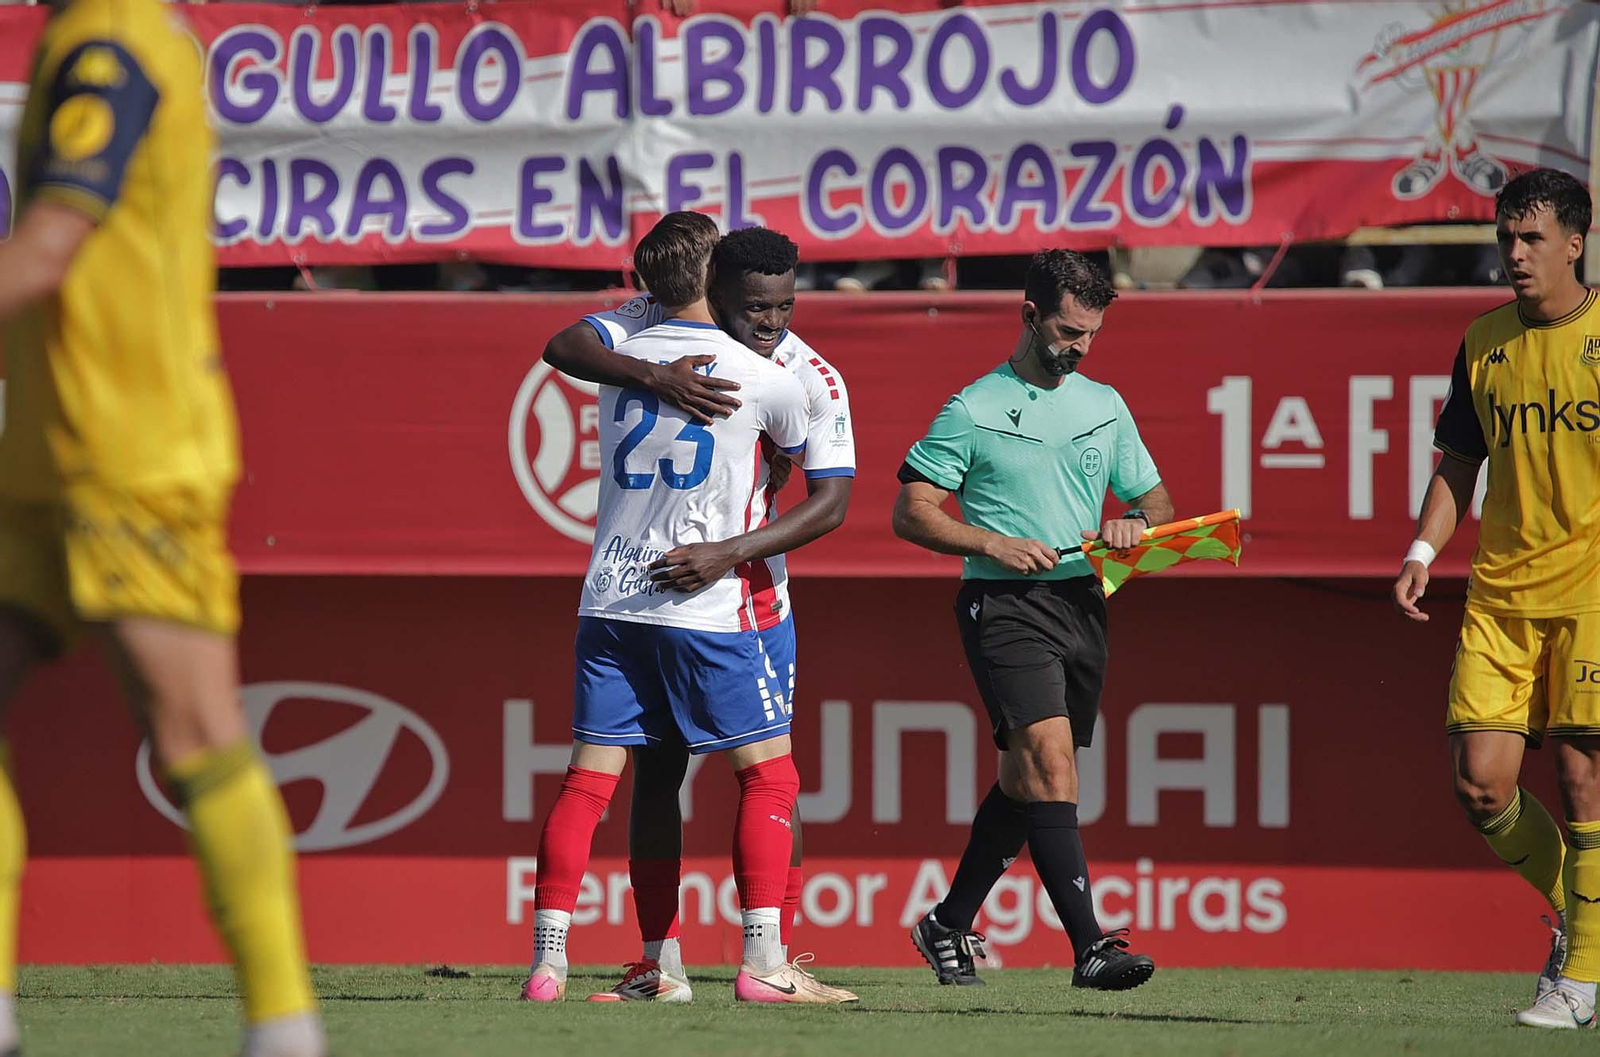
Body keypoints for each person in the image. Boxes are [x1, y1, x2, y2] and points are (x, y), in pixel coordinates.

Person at [0, 2, 323, 1055]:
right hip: (48, 451)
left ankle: (284, 1026)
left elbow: (49, 245)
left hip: (128, 458)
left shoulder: (111, 38)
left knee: (194, 734)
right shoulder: (97, 33)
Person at [523, 216, 847, 1006]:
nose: (771, 321)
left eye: (784, 306)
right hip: (715, 603)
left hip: (617, 593)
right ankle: (756, 959)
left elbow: (564, 347)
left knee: (597, 780)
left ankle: (556, 962)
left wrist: (653, 380)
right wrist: (731, 539)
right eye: (757, 305)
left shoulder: (641, 344)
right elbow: (825, 489)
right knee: (766, 774)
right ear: (718, 284)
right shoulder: (764, 377)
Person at [891, 249, 1171, 991]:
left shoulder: (1104, 404)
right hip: (1004, 603)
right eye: (1069, 331)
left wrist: (1135, 523)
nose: (1081, 347)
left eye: (1092, 334)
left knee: (1026, 778)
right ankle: (1090, 947)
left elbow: (1156, 503)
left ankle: (947, 922)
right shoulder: (973, 408)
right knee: (1050, 764)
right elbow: (911, 510)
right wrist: (990, 541)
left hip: (1084, 603)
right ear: (1028, 315)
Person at [1393, 167, 1598, 1029]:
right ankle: (1588, 916)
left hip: (1591, 590)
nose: (1514, 253)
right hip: (1502, 595)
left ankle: (1581, 977)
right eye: (1506, 237)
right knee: (1482, 785)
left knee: (1583, 776)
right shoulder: (1483, 341)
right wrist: (1422, 548)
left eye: (1532, 238)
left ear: (1575, 244)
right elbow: (1459, 463)